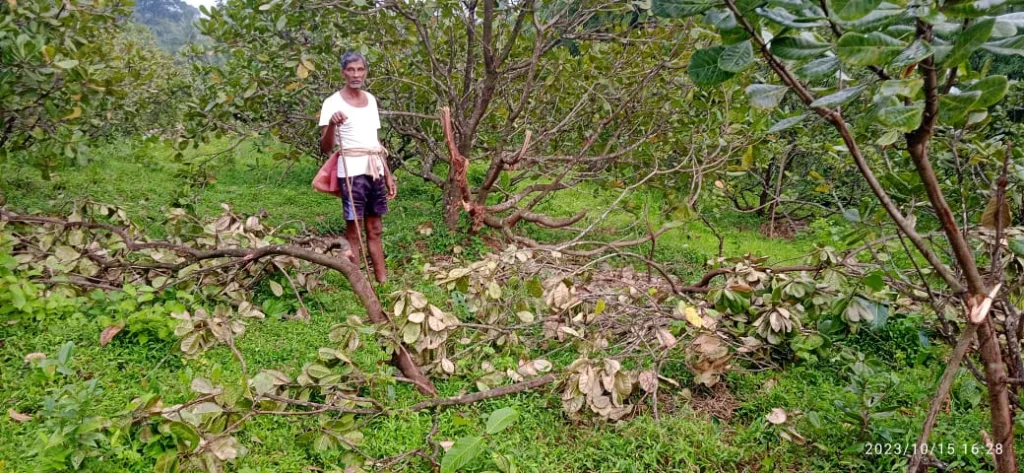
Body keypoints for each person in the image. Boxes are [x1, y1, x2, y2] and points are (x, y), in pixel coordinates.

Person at [319, 51, 396, 284]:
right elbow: (325, 147)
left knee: (375, 228)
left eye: (360, 69)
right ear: (343, 72)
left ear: (365, 72)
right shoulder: (332, 103)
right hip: (351, 172)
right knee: (354, 229)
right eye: (351, 70)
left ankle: (382, 281)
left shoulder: (370, 100)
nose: (356, 74)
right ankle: (359, 284)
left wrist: (388, 175)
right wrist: (332, 123)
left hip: (375, 170)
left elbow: (374, 141)